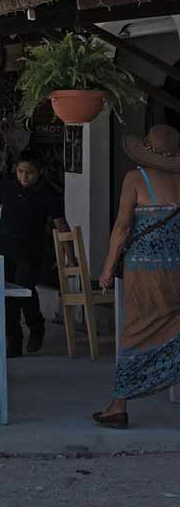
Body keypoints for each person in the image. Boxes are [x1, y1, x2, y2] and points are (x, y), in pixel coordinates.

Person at [93, 124, 180, 429]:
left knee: (136, 331)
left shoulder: (136, 179)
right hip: (178, 270)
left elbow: (122, 228)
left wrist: (106, 268)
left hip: (146, 272)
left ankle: (119, 405)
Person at [0, 150, 67, 357]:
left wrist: (70, 255)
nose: (24, 176)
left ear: (39, 172)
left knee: (24, 290)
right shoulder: (7, 185)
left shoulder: (48, 193)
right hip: (3, 248)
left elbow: (61, 224)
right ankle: (13, 342)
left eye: (30, 172)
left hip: (31, 251)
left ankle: (36, 325)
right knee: (4, 295)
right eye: (21, 171)